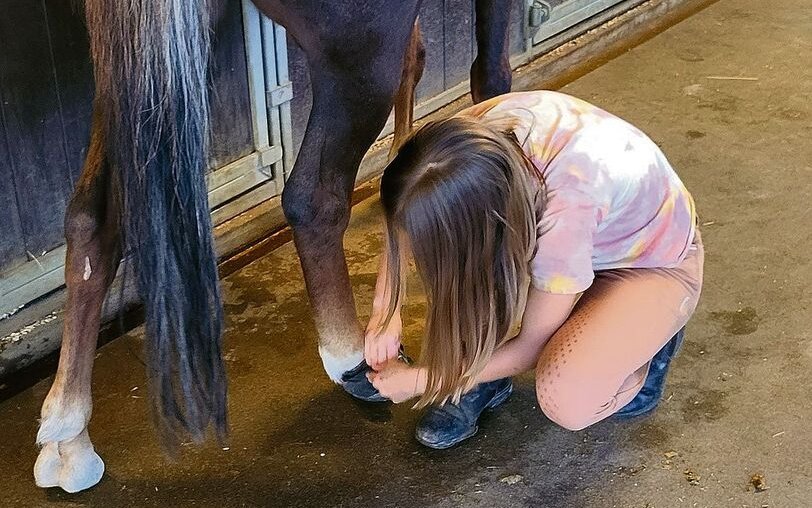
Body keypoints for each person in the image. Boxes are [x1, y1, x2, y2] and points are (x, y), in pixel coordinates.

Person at [363, 91, 704, 449]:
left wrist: (422, 381)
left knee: (567, 395)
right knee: (464, 263)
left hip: (647, 261)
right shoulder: (462, 143)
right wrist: (385, 310)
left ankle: (648, 341)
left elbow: (531, 346)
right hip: (580, 234)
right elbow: (406, 210)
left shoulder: (566, 212)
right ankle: (480, 374)